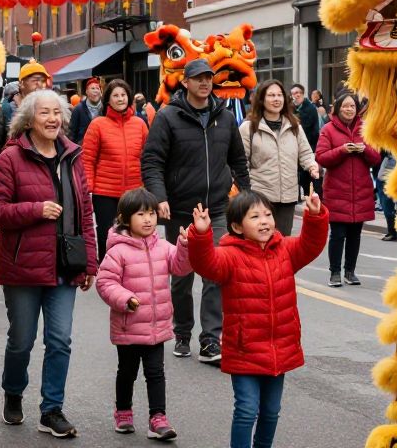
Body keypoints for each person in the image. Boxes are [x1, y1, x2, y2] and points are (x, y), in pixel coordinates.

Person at [0, 90, 97, 438]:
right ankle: (13, 392)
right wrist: (35, 210)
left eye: (56, 113)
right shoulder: (10, 158)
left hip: (65, 264)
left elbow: (86, 212)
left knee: (60, 340)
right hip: (24, 267)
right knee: (22, 340)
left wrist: (90, 262)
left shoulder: (72, 157)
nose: (52, 119)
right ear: (29, 119)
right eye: (44, 113)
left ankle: (52, 410)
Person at [187, 191, 327, 448]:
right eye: (255, 216)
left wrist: (315, 216)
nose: (264, 221)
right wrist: (200, 235)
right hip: (244, 348)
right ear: (237, 226)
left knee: (271, 412)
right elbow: (205, 263)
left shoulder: (284, 250)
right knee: (246, 411)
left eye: (267, 214)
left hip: (279, 348)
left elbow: (310, 244)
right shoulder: (230, 256)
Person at [141, 57, 251, 364]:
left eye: (208, 78)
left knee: (215, 272)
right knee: (182, 277)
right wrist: (159, 197)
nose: (204, 83)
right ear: (185, 82)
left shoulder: (225, 117)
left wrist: (246, 196)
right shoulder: (168, 117)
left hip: (217, 208)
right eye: (198, 78)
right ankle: (182, 331)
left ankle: (210, 340)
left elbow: (238, 160)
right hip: (180, 209)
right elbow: (152, 161)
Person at [95, 188, 191, 440]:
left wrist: (184, 246)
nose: (148, 219)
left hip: (156, 325)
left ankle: (158, 418)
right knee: (127, 372)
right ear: (125, 219)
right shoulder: (117, 251)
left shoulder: (163, 247)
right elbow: (105, 283)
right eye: (141, 214)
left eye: (151, 213)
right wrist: (126, 299)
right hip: (128, 325)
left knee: (155, 372)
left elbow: (181, 267)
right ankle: (124, 412)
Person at [316, 91, 380, 287]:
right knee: (338, 234)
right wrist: (343, 150)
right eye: (345, 106)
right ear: (337, 108)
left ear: (357, 109)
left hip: (360, 190)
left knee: (355, 235)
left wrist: (364, 150)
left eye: (352, 106)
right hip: (337, 191)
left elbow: (376, 157)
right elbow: (321, 157)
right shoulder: (328, 129)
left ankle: (350, 272)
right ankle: (335, 272)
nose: (349, 109)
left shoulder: (366, 130)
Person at [239, 79, 318, 236]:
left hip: (288, 197)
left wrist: (312, 166)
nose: (276, 99)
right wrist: (248, 192)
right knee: (259, 244)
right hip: (260, 198)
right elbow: (241, 164)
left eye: (279, 95)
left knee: (282, 245)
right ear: (262, 99)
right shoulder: (248, 127)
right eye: (271, 95)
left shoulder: (294, 126)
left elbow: (306, 154)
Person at [81, 79, 148, 260]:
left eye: (123, 95)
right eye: (115, 95)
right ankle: (107, 270)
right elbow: (87, 159)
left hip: (134, 191)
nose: (120, 99)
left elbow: (147, 157)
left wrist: (145, 185)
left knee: (134, 233)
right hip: (105, 193)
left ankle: (132, 271)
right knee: (107, 233)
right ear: (108, 100)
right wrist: (88, 187)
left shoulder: (140, 124)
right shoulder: (98, 124)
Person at [290, 84, 321, 200]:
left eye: (298, 93)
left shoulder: (310, 108)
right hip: (293, 148)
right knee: (296, 175)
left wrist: (313, 149)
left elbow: (312, 129)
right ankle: (298, 196)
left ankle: (310, 196)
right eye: (293, 93)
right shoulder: (290, 108)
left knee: (307, 175)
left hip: (308, 146)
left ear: (303, 94)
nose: (296, 95)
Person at [374, 152, 397, 241]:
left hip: (387, 180)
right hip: (385, 179)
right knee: (389, 208)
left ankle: (393, 232)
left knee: (388, 208)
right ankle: (393, 231)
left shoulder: (392, 151)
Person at [69, 77, 101, 144]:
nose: (95, 90)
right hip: (84, 148)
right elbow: (72, 133)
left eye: (98, 88)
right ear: (86, 91)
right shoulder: (78, 109)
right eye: (92, 88)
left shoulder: (105, 108)